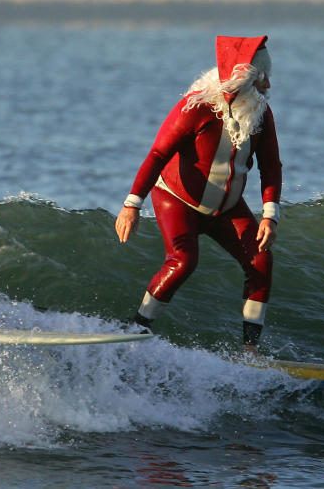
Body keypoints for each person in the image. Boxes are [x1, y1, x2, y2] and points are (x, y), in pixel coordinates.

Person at [114, 36, 283, 355]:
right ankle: (136, 328)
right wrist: (131, 205)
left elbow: (271, 166)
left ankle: (250, 349)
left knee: (260, 259)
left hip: (227, 207)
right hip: (178, 201)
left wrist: (270, 216)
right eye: (262, 77)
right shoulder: (196, 107)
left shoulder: (261, 114)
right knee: (183, 261)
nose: (268, 84)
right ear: (244, 78)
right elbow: (157, 155)